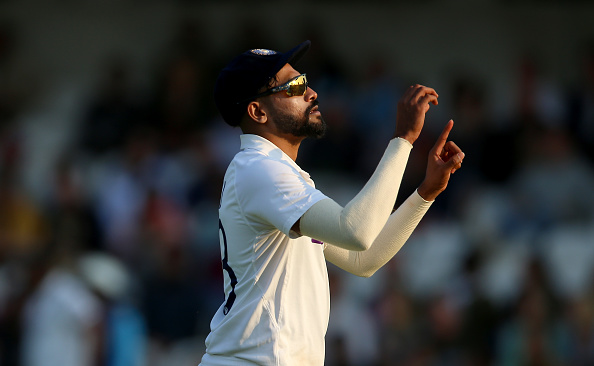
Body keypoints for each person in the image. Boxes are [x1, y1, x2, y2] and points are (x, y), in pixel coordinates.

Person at [199, 40, 464, 366]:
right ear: (257, 111)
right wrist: (403, 140)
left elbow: (361, 259)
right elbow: (356, 232)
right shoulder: (259, 168)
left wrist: (425, 193)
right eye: (294, 86)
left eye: (306, 81)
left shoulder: (275, 172)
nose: (311, 93)